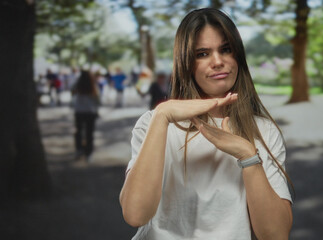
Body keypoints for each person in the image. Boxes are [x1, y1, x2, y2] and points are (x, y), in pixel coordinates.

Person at [120, 8, 293, 240]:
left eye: (226, 49)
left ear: (238, 57)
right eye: (202, 54)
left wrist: (248, 155)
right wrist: (162, 115)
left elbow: (275, 235)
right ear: (186, 63)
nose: (218, 61)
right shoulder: (154, 123)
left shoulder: (264, 130)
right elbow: (135, 215)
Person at [71, 70, 100, 162]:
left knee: (79, 131)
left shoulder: (77, 86)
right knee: (89, 133)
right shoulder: (93, 86)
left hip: (79, 111)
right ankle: (88, 152)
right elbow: (98, 100)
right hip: (90, 112)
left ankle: (79, 149)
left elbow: (72, 92)